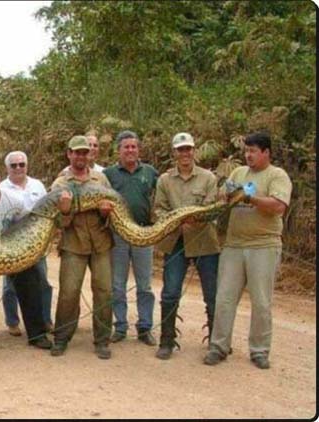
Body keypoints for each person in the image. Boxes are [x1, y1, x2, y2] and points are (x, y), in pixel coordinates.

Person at [204, 132, 292, 370]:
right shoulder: (238, 173)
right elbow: (224, 196)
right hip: (234, 244)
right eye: (246, 151)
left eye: (253, 151)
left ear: (266, 153)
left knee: (261, 302)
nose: (248, 155)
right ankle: (218, 347)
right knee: (224, 298)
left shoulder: (277, 175)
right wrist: (226, 194)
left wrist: (250, 197)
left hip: (263, 245)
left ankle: (259, 350)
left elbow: (278, 207)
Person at [152, 133, 220, 360]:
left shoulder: (209, 178)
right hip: (175, 242)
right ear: (174, 153)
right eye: (180, 149)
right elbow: (159, 209)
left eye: (188, 149)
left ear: (194, 151)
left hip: (205, 243)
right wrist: (174, 221)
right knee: (170, 292)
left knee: (212, 294)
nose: (185, 153)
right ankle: (166, 341)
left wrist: (193, 219)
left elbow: (212, 208)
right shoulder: (164, 180)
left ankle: (216, 343)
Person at [0, 167, 52, 349]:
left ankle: (37, 335)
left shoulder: (14, 200)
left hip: (14, 250)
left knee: (31, 281)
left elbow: (26, 226)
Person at [49, 135, 115, 359]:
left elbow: (114, 210)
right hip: (73, 244)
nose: (80, 156)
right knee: (69, 292)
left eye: (84, 152)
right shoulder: (60, 184)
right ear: (69, 154)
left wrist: (106, 213)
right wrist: (66, 211)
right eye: (76, 152)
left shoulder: (101, 179)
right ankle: (61, 337)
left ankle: (102, 339)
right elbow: (56, 221)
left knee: (105, 291)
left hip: (101, 243)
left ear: (90, 154)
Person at [104, 130, 159, 346]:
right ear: (118, 151)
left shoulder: (151, 172)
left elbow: (161, 197)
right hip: (117, 236)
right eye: (126, 147)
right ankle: (120, 327)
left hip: (144, 234)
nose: (130, 150)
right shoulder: (109, 174)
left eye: (133, 147)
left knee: (145, 285)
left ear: (139, 150)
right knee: (117, 284)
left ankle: (145, 327)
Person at [0, 151, 53, 335]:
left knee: (43, 282)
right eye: (13, 165)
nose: (18, 168)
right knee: (10, 285)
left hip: (37, 243)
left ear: (26, 165)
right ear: (7, 168)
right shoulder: (1, 188)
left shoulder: (37, 185)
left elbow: (48, 212)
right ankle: (12, 322)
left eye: (21, 164)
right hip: (13, 243)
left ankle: (45, 319)